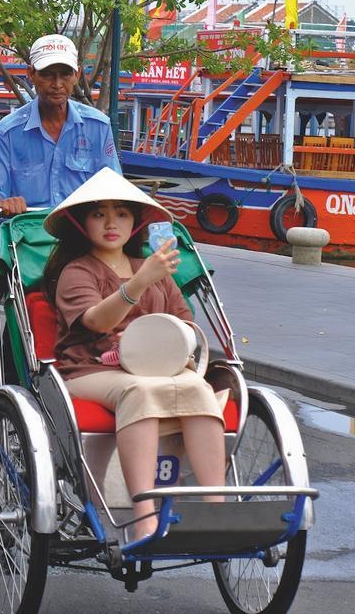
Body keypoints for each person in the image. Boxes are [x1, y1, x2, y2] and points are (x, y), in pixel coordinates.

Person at [42, 168, 226, 541]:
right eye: (99, 214)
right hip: (90, 369)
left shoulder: (152, 267)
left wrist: (164, 338)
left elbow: (185, 322)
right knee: (138, 392)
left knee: (199, 389)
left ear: (135, 221)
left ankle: (217, 510)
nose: (111, 223)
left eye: (122, 213)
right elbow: (95, 321)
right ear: (82, 224)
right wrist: (141, 283)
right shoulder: (76, 271)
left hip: (159, 367)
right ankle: (144, 517)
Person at [0, 34, 121, 215]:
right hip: (25, 231)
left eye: (65, 74)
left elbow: (113, 186)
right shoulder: (7, 132)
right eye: (47, 74)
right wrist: (4, 205)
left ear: (77, 75)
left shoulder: (98, 126)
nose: (57, 84)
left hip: (81, 233)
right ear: (31, 74)